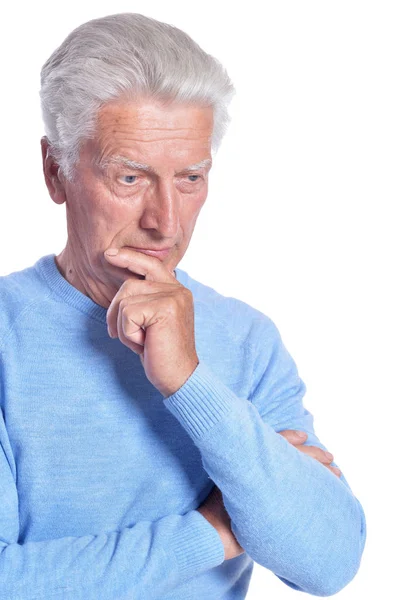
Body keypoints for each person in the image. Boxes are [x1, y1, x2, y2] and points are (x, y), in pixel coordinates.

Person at [0, 12, 366, 600]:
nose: (165, 221)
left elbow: (328, 562)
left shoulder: (246, 340)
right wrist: (214, 533)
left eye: (191, 177)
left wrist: (189, 382)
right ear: (55, 171)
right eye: (129, 178)